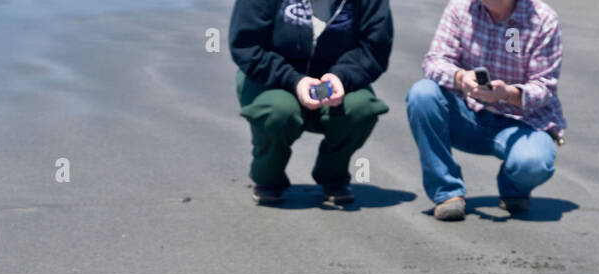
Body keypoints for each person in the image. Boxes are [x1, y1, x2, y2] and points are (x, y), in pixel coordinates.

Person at [405, 0, 566, 221]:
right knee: (422, 94)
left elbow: (544, 88)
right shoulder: (460, 8)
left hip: (524, 122)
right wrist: (460, 78)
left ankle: (513, 186)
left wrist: (507, 93)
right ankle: (447, 193)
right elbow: (434, 62)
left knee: (533, 163)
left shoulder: (543, 19)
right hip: (468, 116)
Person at [229, 0, 394, 206]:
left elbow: (375, 47)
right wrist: (294, 80)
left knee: (362, 108)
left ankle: (333, 176)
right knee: (278, 111)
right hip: (271, 77)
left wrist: (341, 77)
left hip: (336, 78)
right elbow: (247, 46)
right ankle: (268, 178)